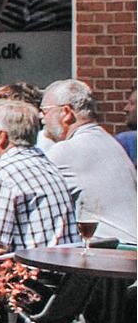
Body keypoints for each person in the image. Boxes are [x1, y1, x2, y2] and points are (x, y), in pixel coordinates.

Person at [0, 101, 79, 255]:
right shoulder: (45, 163)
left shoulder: (0, 172)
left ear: (2, 137)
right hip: (65, 263)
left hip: (32, 265)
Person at [39, 79, 136, 243]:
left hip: (113, 249)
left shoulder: (66, 150)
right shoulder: (109, 141)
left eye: (45, 111)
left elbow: (23, 187)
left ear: (66, 113)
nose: (41, 117)